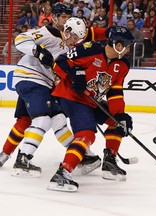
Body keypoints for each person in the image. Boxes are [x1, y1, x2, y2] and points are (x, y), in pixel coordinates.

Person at [0, 3, 89, 175]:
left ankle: (4, 155)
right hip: (32, 78)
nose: (65, 21)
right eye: (62, 17)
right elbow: (19, 40)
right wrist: (37, 51)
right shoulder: (48, 32)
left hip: (43, 83)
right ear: (54, 17)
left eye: (67, 17)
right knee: (43, 120)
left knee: (41, 120)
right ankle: (23, 159)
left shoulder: (68, 42)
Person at [47, 26, 135, 192]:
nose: (129, 48)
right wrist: (74, 74)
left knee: (117, 122)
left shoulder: (123, 65)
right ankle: (63, 173)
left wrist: (120, 115)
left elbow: (115, 92)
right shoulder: (90, 50)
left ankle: (109, 161)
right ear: (116, 44)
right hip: (71, 97)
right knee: (86, 134)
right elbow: (59, 62)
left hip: (91, 101)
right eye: (127, 44)